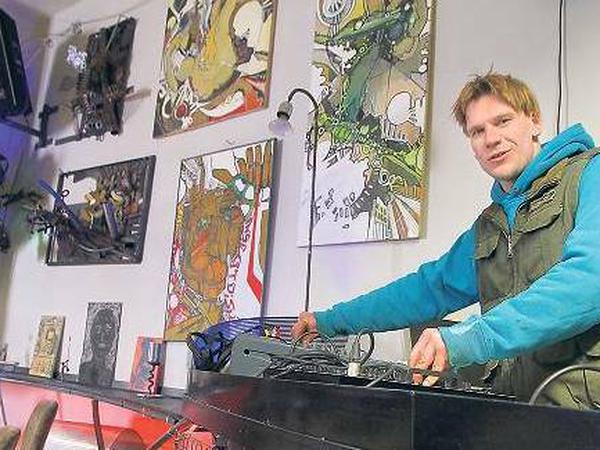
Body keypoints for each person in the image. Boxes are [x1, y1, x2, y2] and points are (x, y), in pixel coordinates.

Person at [291, 71, 600, 406]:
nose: (491, 139)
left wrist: (471, 338)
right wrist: (329, 321)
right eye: (477, 131)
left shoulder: (590, 173)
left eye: (503, 121)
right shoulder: (490, 224)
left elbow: (589, 279)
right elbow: (427, 289)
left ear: (535, 121)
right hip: (517, 412)